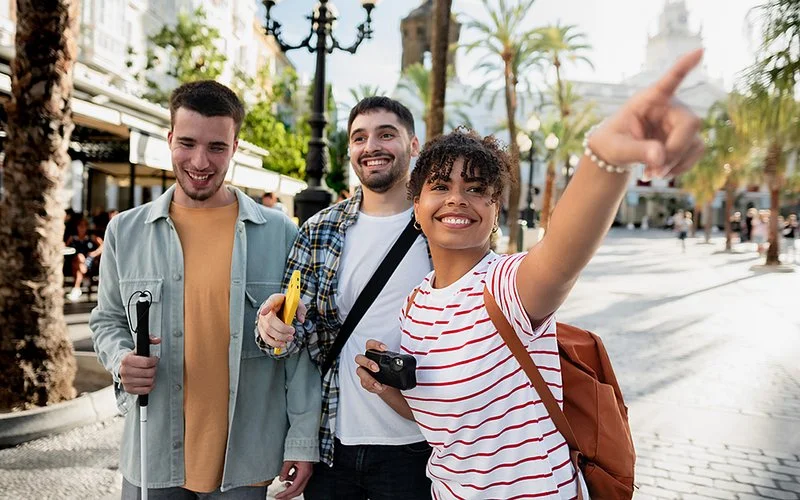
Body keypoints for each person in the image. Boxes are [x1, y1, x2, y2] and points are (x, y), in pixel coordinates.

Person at [353, 50, 706, 498]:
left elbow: (563, 251)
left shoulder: (505, 287)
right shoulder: (416, 303)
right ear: (417, 209)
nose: (458, 199)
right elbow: (440, 419)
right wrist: (384, 387)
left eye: (477, 190)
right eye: (440, 187)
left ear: (495, 210)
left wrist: (605, 157)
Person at [90, 80, 320, 500]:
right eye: (188, 143)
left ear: (234, 147)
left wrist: (303, 440)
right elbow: (106, 319)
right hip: (152, 451)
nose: (200, 161)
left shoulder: (281, 233)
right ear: (169, 139)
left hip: (246, 460)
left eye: (216, 147)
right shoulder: (124, 231)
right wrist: (119, 358)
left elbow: (299, 346)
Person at [255, 96, 433, 499]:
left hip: (417, 446)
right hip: (334, 444)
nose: (372, 146)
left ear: (414, 144)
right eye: (359, 137)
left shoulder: (440, 228)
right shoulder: (319, 230)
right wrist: (273, 328)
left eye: (386, 134)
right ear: (350, 151)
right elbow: (290, 342)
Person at [66, 216, 103, 302]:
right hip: (75, 262)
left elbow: (103, 246)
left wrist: (94, 253)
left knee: (80, 261)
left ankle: (77, 288)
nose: (82, 228)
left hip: (89, 262)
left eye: (84, 226)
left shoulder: (91, 237)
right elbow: (65, 247)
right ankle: (82, 280)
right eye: (80, 226)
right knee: (79, 259)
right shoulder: (73, 238)